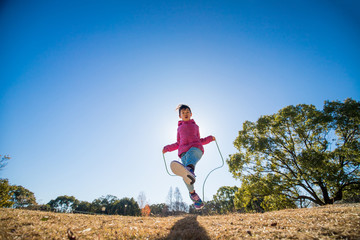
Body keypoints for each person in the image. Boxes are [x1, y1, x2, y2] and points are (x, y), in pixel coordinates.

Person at [163, 104, 215, 209]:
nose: (186, 114)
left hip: (196, 149)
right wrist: (167, 148)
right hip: (183, 154)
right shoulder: (179, 129)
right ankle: (194, 196)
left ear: (191, 114)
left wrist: (210, 138)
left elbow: (200, 140)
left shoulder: (195, 126)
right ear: (180, 116)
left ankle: (189, 169)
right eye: (183, 113)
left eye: (187, 112)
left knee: (191, 158)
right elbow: (178, 143)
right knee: (185, 176)